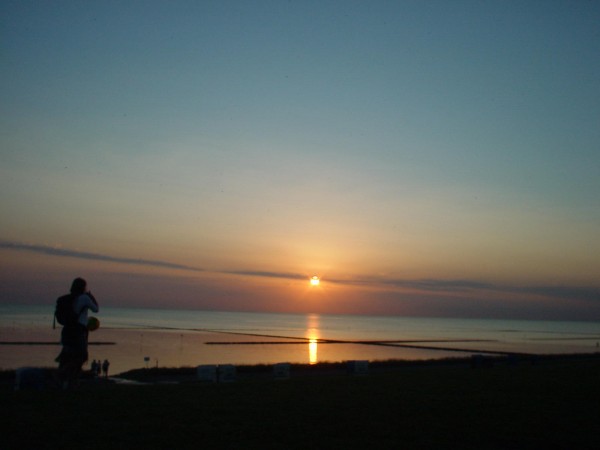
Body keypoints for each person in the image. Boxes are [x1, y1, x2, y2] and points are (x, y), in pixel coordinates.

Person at [56, 277, 99, 389]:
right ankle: (63, 375)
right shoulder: (84, 297)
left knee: (66, 357)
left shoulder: (68, 298)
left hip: (67, 330)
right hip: (79, 331)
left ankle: (69, 382)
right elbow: (96, 309)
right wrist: (91, 296)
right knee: (81, 356)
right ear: (83, 287)